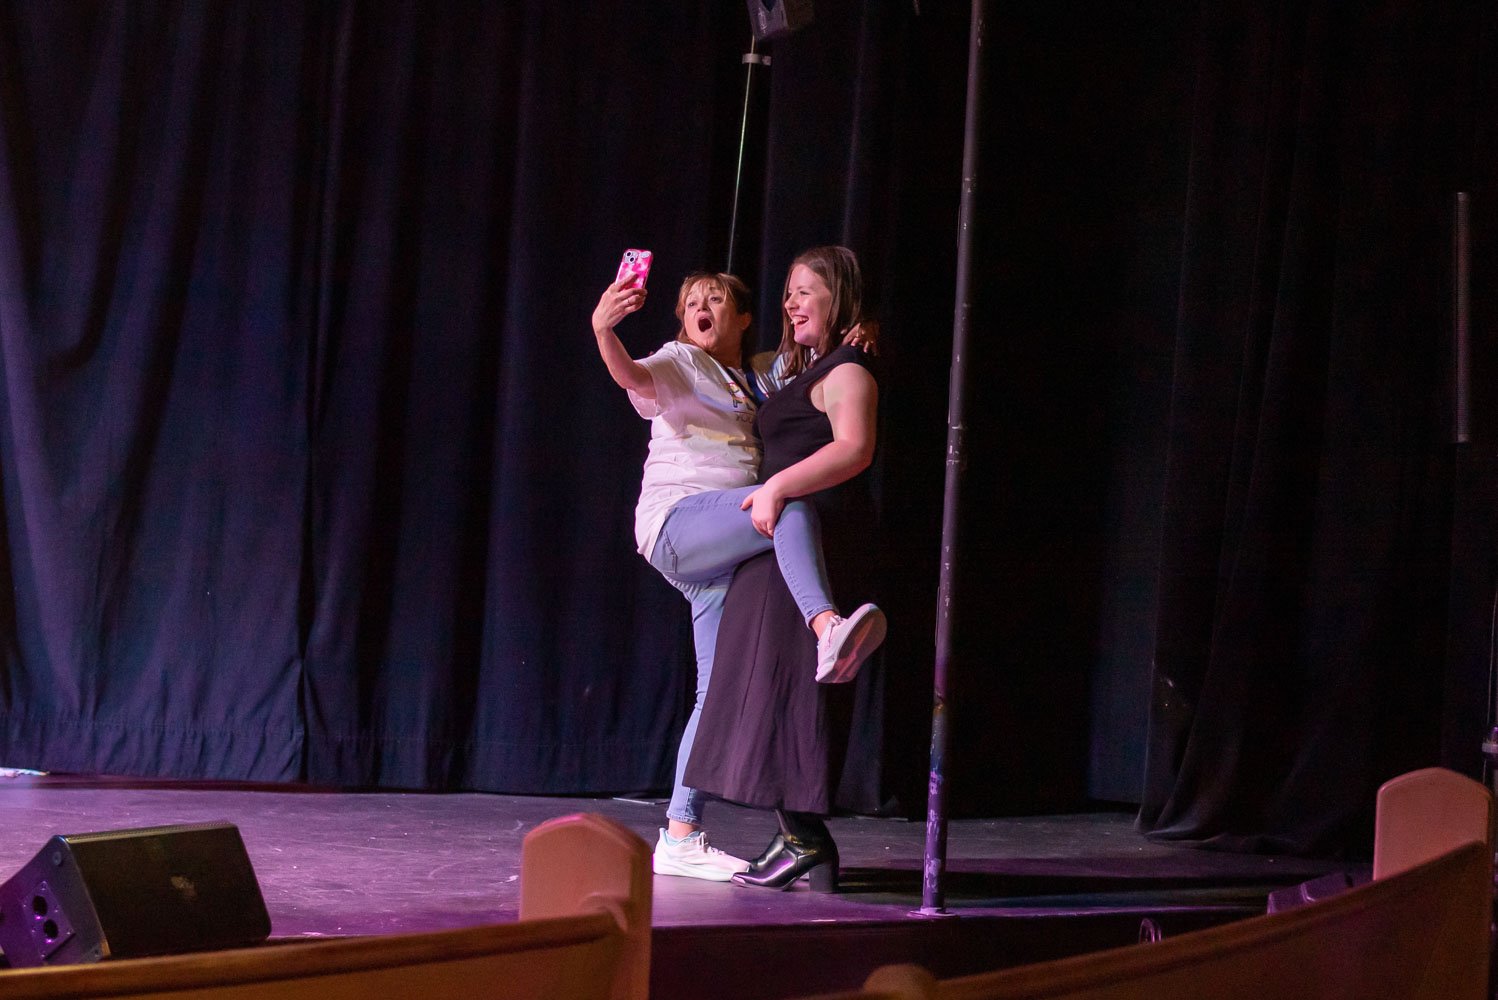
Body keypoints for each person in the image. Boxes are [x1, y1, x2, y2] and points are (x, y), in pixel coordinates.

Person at [590, 268, 885, 883]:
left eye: (715, 299)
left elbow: (808, 361)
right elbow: (632, 376)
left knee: (714, 690)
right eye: (690, 302)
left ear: (743, 318)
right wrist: (603, 329)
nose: (700, 309)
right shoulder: (678, 360)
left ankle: (678, 833)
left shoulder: (752, 377)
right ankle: (827, 625)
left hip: (718, 553)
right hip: (680, 523)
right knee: (787, 505)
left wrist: (864, 331)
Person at [684, 245, 883, 893]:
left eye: (806, 291)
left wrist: (777, 490)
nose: (790, 302)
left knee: (789, 691)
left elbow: (854, 448)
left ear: (839, 297)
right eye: (788, 291)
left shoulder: (849, 370)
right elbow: (746, 371)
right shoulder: (805, 368)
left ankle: (804, 840)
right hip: (778, 549)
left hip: (811, 543)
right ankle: (798, 840)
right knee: (768, 689)